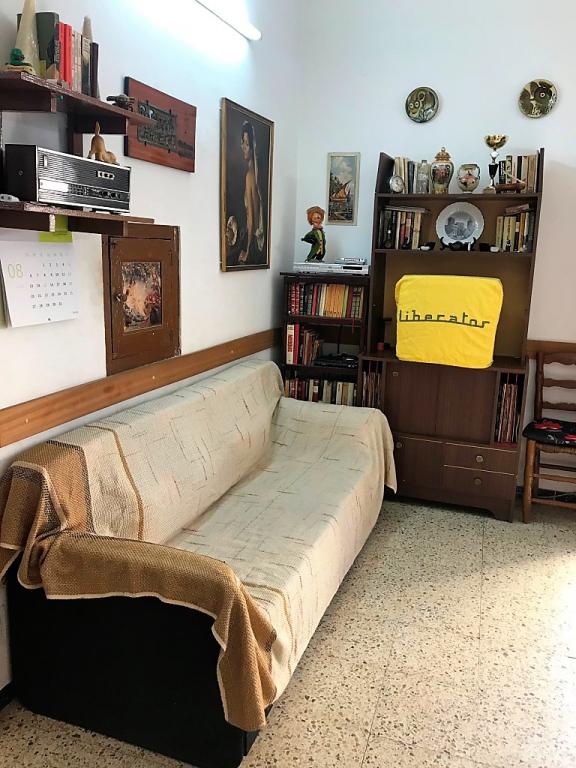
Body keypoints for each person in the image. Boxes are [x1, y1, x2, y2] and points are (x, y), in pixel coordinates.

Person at [238, 121, 265, 264]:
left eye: (247, 144)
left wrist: (246, 249)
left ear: (253, 148)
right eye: (242, 142)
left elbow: (251, 218)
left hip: (252, 243)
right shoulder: (254, 174)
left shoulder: (250, 176)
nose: (243, 147)